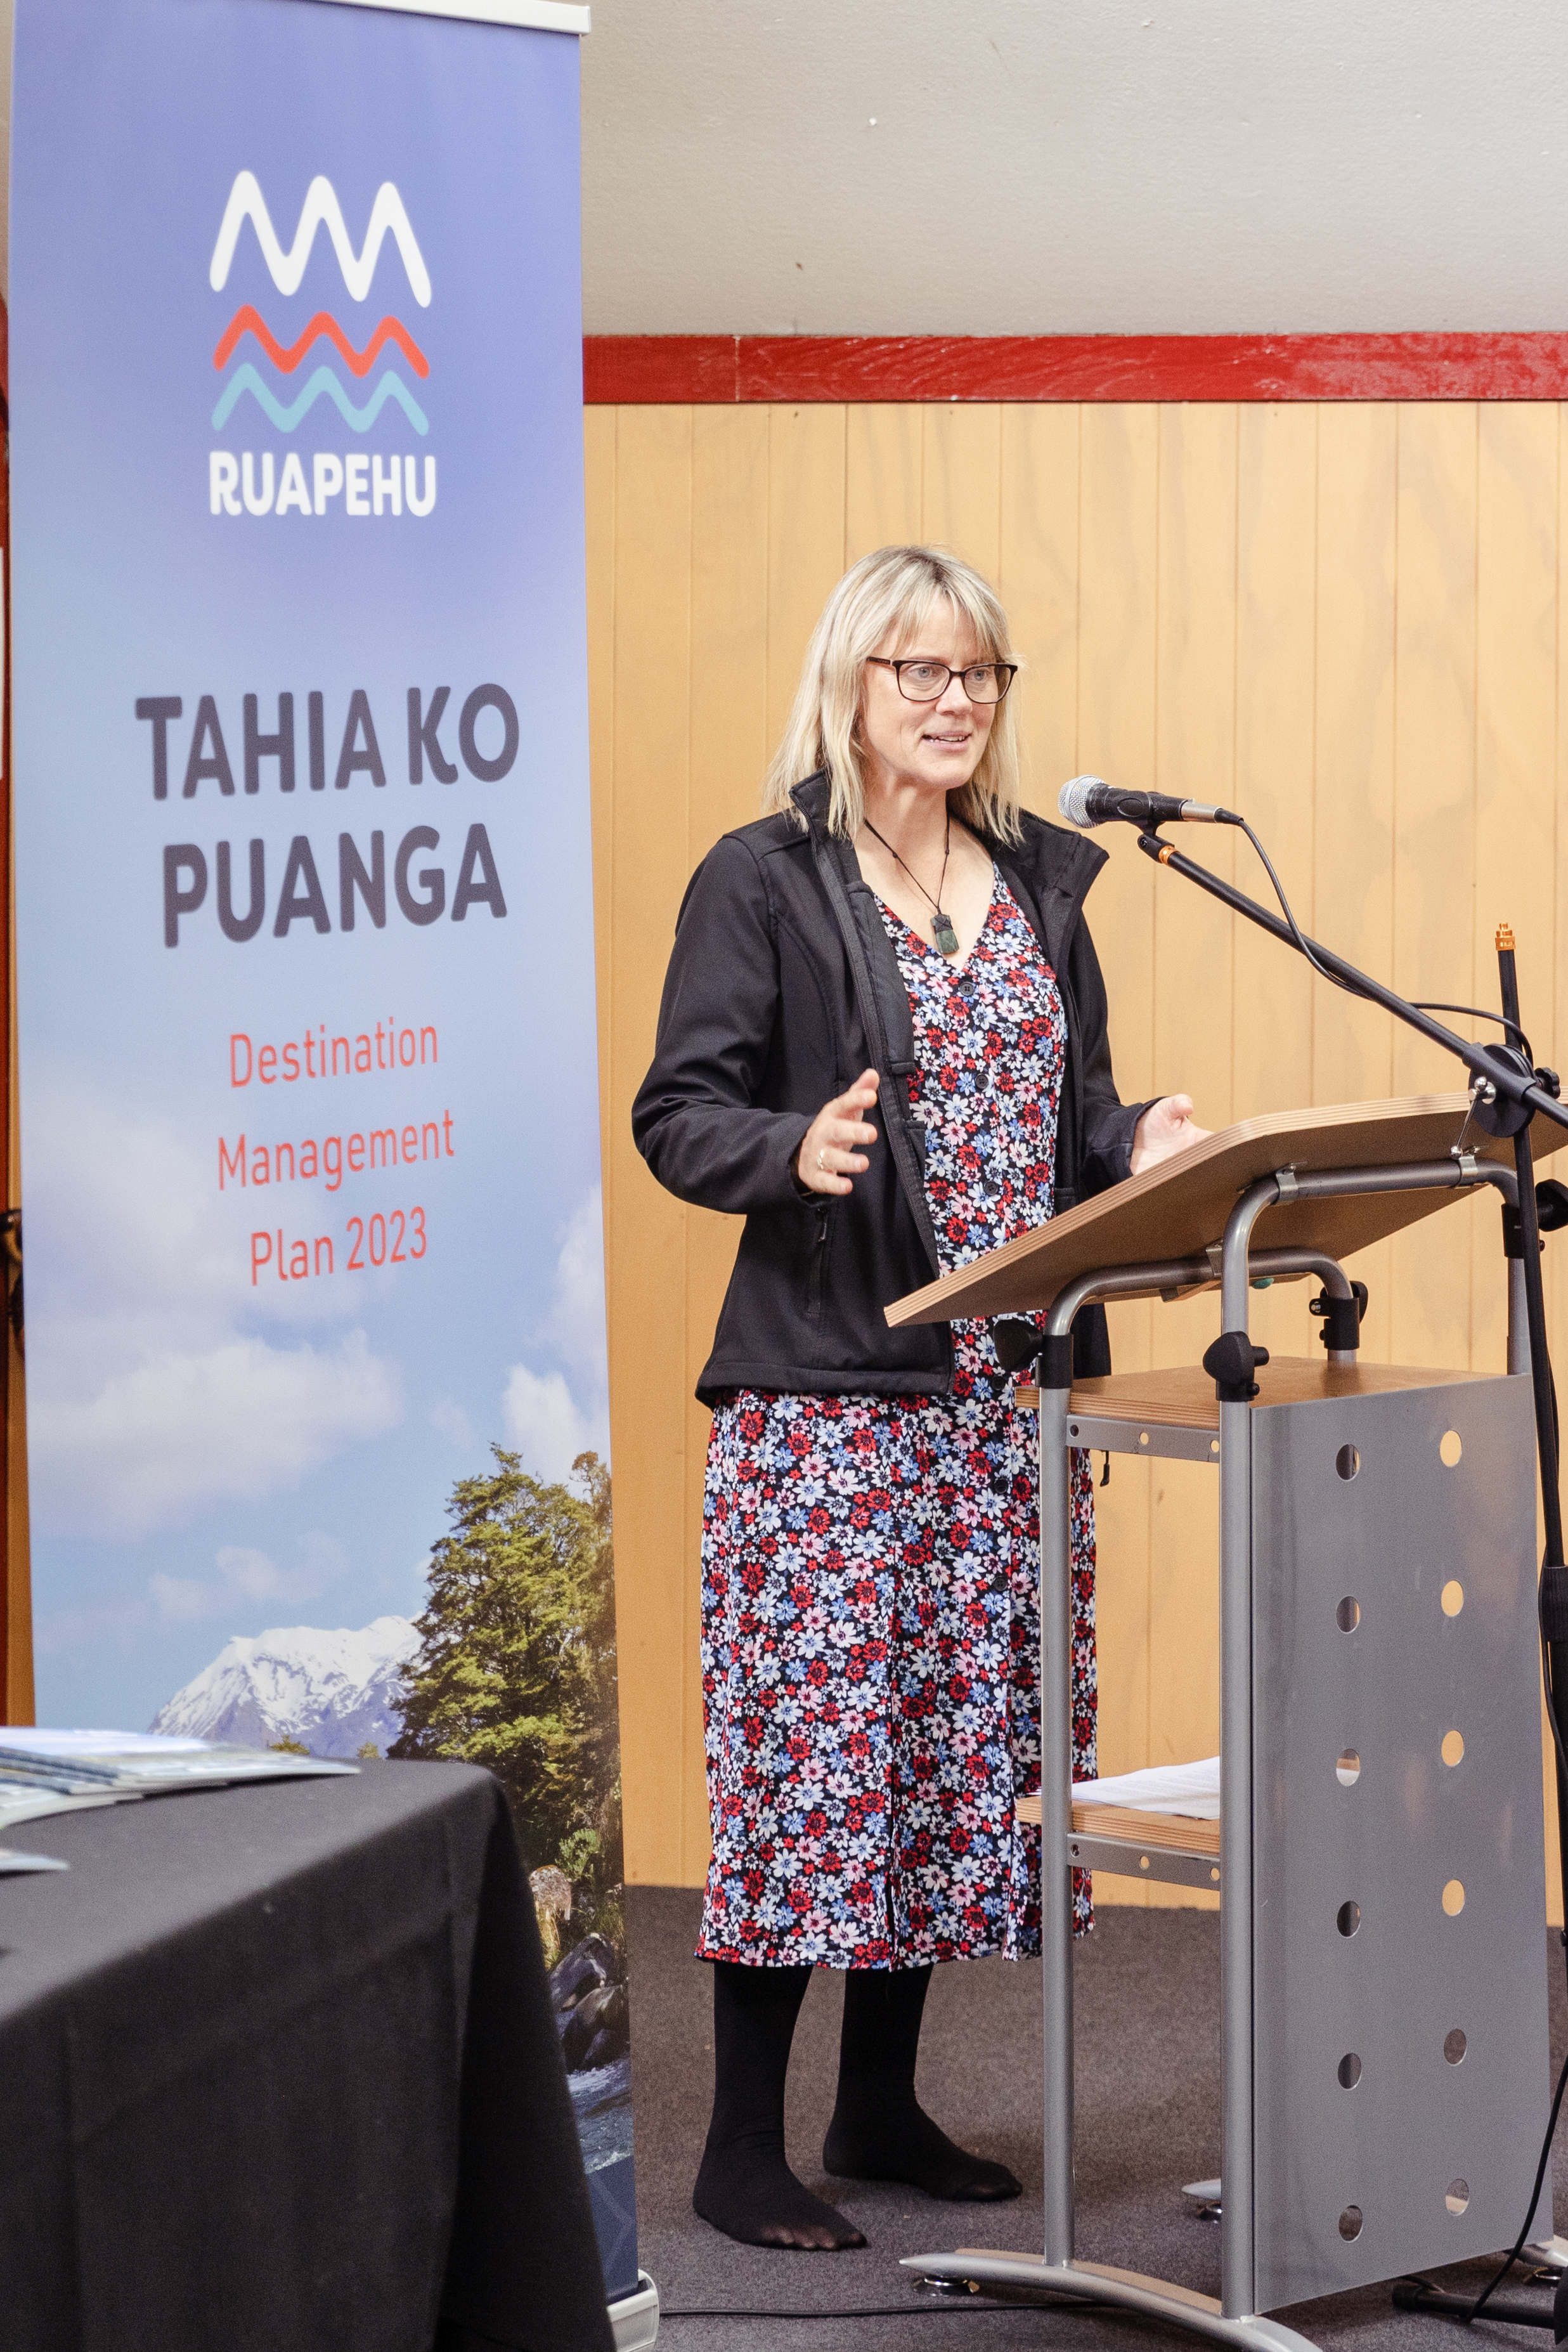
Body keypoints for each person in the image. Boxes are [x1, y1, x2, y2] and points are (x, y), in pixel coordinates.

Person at [632, 545, 1207, 2253]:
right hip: (830, 1405)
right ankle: (742, 2144)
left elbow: (1067, 1115)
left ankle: (877, 2105)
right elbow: (680, 1109)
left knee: (962, 1758)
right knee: (813, 1764)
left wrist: (1138, 1144)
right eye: (919, 673)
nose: (954, 703)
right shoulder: (767, 878)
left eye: (980, 676)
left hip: (1003, 1402)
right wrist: (782, 1150)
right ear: (849, 683)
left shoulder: (1039, 881)